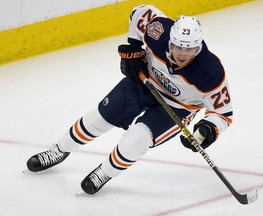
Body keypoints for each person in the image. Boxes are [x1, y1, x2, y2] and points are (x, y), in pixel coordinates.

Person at [26, 4, 233, 195]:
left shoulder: (211, 73)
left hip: (177, 107)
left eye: (188, 49)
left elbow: (223, 114)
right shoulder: (159, 29)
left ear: (198, 47)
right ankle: (59, 150)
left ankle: (105, 172)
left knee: (137, 138)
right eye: (178, 46)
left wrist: (207, 130)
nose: (181, 53)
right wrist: (134, 47)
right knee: (98, 118)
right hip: (144, 82)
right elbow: (137, 13)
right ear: (170, 40)